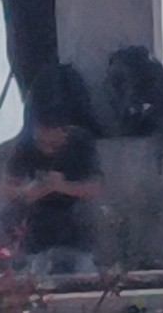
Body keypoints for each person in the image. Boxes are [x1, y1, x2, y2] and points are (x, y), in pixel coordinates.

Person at [5, 90, 102, 278]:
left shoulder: (80, 143)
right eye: (44, 143)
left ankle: (85, 265)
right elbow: (7, 188)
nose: (49, 149)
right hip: (38, 219)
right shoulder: (25, 147)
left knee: (86, 212)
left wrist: (62, 186)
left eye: (54, 144)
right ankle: (28, 264)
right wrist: (28, 192)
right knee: (10, 213)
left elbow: (95, 188)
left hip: (74, 215)